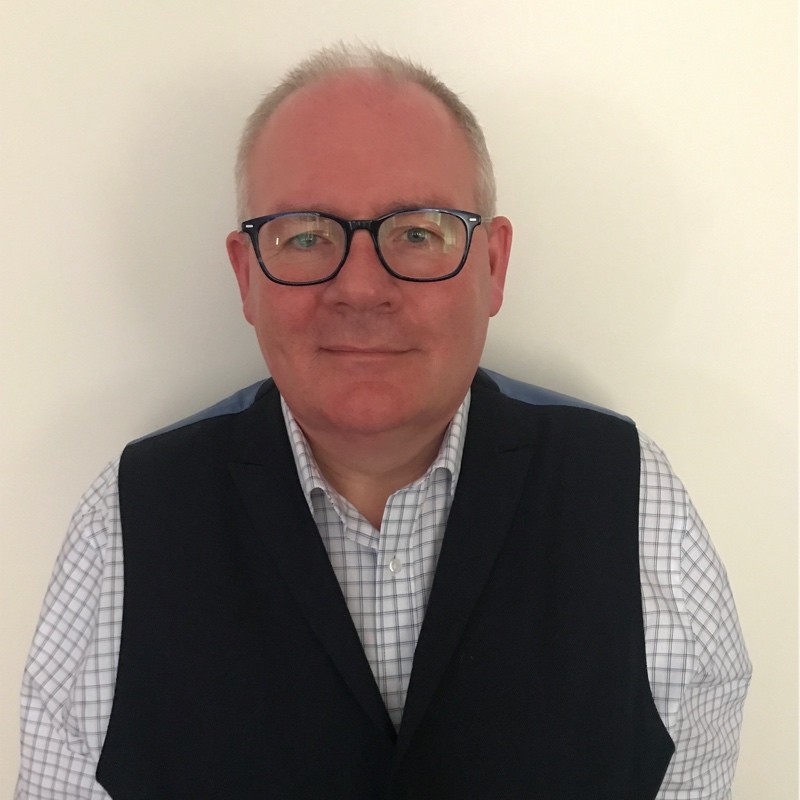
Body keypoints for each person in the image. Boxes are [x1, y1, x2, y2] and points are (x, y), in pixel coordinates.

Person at [16, 45, 750, 799]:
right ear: (245, 276)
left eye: (417, 233)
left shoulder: (632, 502)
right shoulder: (127, 525)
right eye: (305, 236)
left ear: (492, 267)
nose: (360, 288)